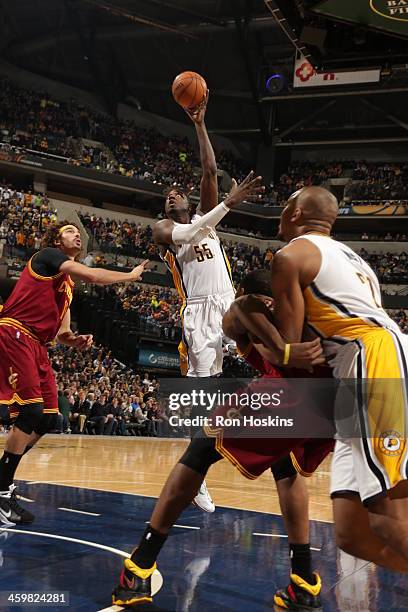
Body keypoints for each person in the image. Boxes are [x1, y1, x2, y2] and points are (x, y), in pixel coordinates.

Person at [110, 269, 331, 608]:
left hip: (294, 390)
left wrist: (281, 347)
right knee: (287, 468)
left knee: (200, 449)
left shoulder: (270, 298)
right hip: (336, 398)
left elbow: (239, 310)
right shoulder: (311, 308)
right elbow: (242, 331)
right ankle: (303, 582)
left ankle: (138, 567)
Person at [270, 186, 408, 576]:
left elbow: (294, 347)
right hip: (369, 362)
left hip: (372, 361)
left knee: (389, 518)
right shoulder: (355, 260)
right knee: (353, 533)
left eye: (284, 208)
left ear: (296, 214)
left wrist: (251, 323)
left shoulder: (290, 255)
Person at [153, 93, 264, 512]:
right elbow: (187, 232)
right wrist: (226, 205)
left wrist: (199, 123)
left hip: (228, 304)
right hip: (198, 313)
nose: (172, 196)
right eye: (167, 195)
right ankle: (195, 473)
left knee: (271, 353)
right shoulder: (165, 229)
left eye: (177, 193)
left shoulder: (207, 218)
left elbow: (209, 169)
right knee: (203, 393)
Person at [0, 222, 149, 525]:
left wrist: (75, 341)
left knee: (48, 418)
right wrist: (131, 275)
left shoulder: (67, 286)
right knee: (31, 411)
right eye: (69, 230)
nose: (76, 234)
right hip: (15, 331)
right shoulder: (48, 256)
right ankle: (2, 491)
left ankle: (3, 475)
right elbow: (94, 275)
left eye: (77, 232)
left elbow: (62, 333)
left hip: (39, 345)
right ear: (57, 239)